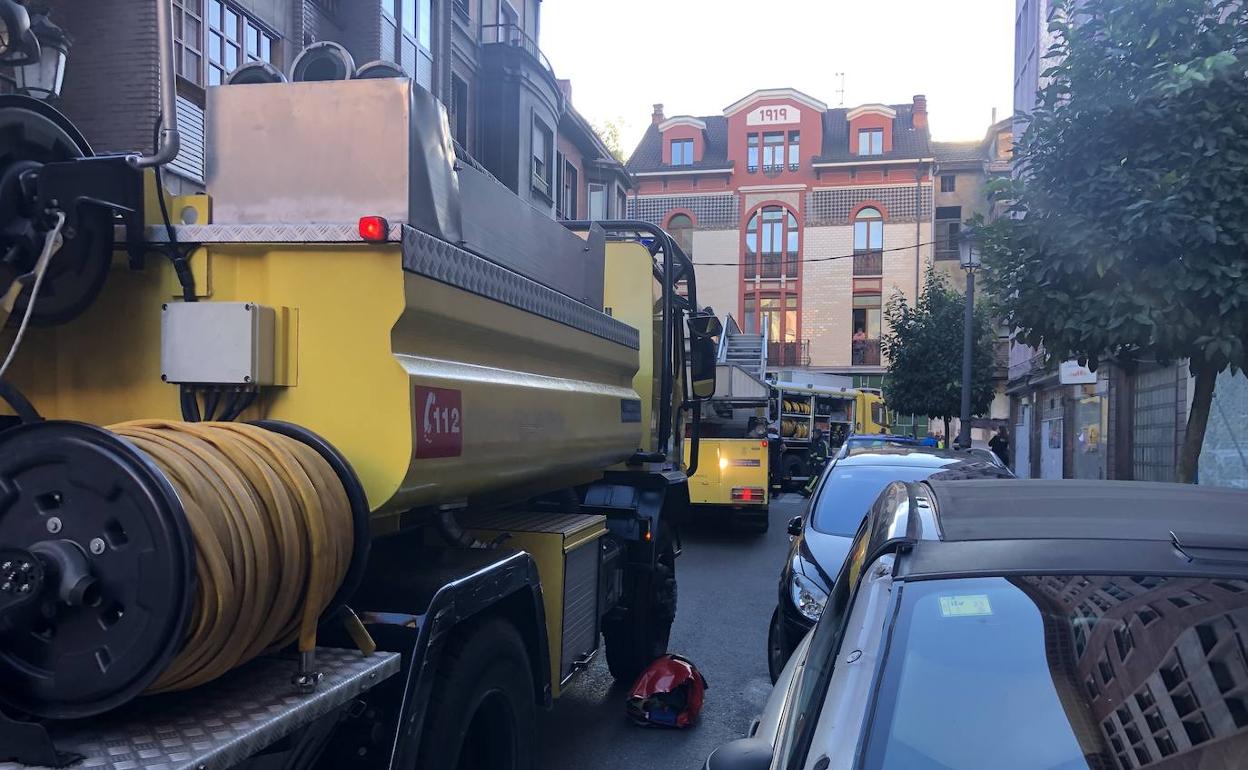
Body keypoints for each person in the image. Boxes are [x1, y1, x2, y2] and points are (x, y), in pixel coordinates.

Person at [802, 428, 830, 497]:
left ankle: (807, 492)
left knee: (814, 478)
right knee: (814, 478)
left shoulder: (821, 443)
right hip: (817, 463)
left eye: (814, 434)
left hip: (820, 464)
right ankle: (810, 492)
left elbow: (822, 455)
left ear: (818, 434)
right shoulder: (817, 442)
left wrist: (814, 460)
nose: (813, 435)